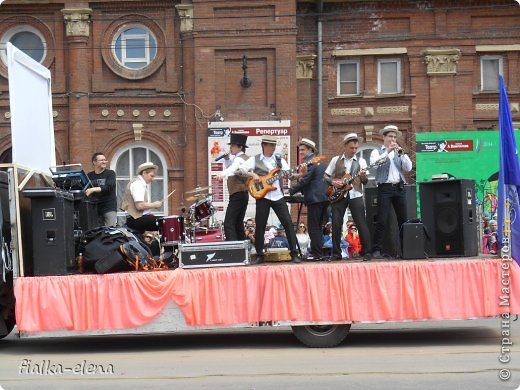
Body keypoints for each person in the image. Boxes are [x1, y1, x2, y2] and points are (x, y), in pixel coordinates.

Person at [237, 135, 302, 264]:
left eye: (274, 145)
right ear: (264, 145)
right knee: (260, 225)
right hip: (263, 196)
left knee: (288, 223)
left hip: (278, 196)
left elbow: (290, 175)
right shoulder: (254, 159)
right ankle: (260, 255)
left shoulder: (279, 160)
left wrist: (299, 174)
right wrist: (252, 174)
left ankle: (294, 253)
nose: (273, 148)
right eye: (271, 145)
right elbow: (240, 170)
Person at [324, 133, 372, 261]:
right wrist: (333, 182)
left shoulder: (361, 161)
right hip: (339, 195)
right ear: (345, 146)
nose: (354, 151)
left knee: (361, 223)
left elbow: (365, 182)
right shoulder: (336, 160)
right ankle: (336, 253)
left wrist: (362, 176)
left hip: (356, 194)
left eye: (356, 148)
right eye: (351, 148)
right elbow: (325, 176)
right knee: (336, 223)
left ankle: (367, 252)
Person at [370, 125, 413, 259]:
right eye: (390, 137)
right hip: (385, 188)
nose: (393, 139)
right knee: (382, 220)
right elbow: (374, 165)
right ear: (384, 137)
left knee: (403, 220)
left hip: (399, 188)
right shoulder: (377, 152)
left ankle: (405, 250)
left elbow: (408, 167)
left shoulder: (399, 152)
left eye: (394, 137)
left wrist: (402, 154)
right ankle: (376, 250)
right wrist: (387, 152)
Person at [289, 138, 328, 260]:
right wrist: (297, 176)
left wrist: (290, 191)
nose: (300, 152)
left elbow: (305, 181)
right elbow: (310, 178)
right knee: (318, 227)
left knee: (313, 227)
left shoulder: (310, 162)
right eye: (299, 150)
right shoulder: (318, 161)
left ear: (310, 149)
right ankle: (319, 252)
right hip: (323, 198)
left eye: (302, 150)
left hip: (315, 198)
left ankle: (317, 254)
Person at [216, 133, 250, 241]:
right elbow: (233, 169)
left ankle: (233, 250)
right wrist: (226, 159)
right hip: (243, 194)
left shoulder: (238, 159)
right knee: (238, 224)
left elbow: (232, 170)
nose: (230, 148)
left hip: (237, 194)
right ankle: (243, 248)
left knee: (229, 223)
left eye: (232, 146)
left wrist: (221, 174)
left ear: (240, 147)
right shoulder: (243, 158)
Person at [120, 162, 163, 233]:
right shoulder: (138, 185)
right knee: (165, 222)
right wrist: (154, 205)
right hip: (135, 219)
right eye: (151, 176)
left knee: (163, 221)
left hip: (136, 218)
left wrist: (148, 214)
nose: (153, 179)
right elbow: (139, 206)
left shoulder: (139, 184)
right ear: (144, 173)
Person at [85, 152, 117, 227]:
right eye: (101, 160)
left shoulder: (110, 173)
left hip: (109, 207)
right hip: (95, 208)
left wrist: (93, 189)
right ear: (94, 162)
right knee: (96, 231)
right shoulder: (90, 175)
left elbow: (108, 187)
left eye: (105, 160)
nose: (104, 162)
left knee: (110, 231)